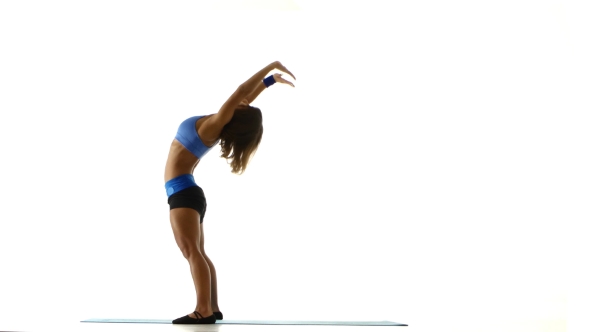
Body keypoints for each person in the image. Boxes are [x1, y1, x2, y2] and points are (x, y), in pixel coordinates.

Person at [164, 61, 296, 324]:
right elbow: (244, 97)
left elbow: (239, 92)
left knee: (191, 251)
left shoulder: (214, 125)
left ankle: (203, 310)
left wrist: (270, 67)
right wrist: (269, 83)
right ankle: (211, 307)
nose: (243, 102)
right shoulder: (218, 124)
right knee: (198, 251)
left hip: (183, 192)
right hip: (188, 192)